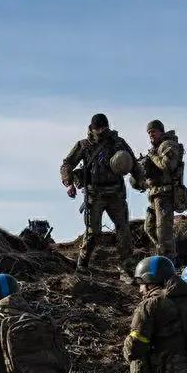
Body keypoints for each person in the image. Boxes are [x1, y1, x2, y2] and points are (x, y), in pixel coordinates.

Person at [59, 112, 138, 270]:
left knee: (123, 229)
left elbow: (133, 162)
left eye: (104, 128)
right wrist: (69, 183)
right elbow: (67, 164)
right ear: (93, 129)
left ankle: (127, 267)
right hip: (94, 194)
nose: (102, 132)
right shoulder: (84, 145)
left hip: (116, 194)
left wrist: (141, 180)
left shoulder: (117, 143)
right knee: (93, 232)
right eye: (99, 129)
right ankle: (83, 263)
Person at [135, 120, 186, 258]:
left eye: (153, 131)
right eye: (149, 133)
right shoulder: (156, 149)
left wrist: (152, 156)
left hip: (166, 195)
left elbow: (168, 165)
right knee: (149, 228)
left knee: (164, 234)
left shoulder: (168, 145)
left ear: (161, 131)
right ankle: (163, 256)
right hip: (155, 195)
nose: (151, 135)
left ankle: (169, 263)